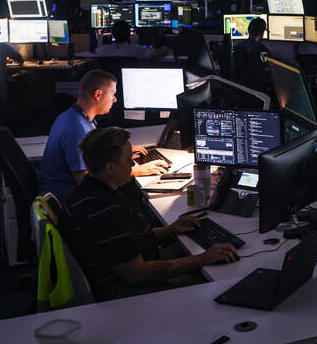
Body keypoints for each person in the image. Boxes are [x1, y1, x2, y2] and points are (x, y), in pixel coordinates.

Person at [66, 126, 238, 300]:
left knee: (188, 249)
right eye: (128, 160)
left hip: (125, 271)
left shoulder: (86, 191)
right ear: (110, 168)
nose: (132, 165)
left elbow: (126, 239)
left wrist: (169, 230)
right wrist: (202, 259)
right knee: (217, 284)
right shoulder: (105, 209)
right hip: (125, 293)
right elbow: (137, 273)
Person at [37, 69, 167, 202]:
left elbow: (91, 154)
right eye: (112, 94)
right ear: (98, 94)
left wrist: (120, 154)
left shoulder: (75, 115)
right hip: (66, 199)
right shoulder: (77, 128)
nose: (115, 100)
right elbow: (84, 180)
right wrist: (134, 171)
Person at [233, 17, 271, 94]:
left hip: (239, 88)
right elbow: (268, 71)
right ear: (262, 33)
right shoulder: (263, 50)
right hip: (256, 90)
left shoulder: (237, 46)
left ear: (249, 31)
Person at [93, 20, 162, 60]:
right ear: (129, 34)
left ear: (113, 34)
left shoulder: (102, 50)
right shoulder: (136, 49)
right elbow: (160, 53)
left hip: (110, 79)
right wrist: (165, 47)